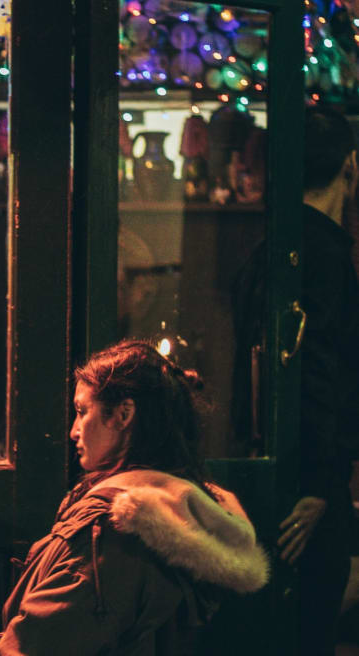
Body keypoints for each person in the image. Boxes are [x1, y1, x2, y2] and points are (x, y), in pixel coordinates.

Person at [0, 340, 269, 655]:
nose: (73, 430)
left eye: (82, 412)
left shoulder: (113, 533)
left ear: (123, 414)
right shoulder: (183, 505)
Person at [231, 105, 359, 655]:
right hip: (307, 488)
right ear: (350, 166)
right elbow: (314, 370)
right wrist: (316, 484)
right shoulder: (323, 254)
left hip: (267, 471)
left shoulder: (269, 250)